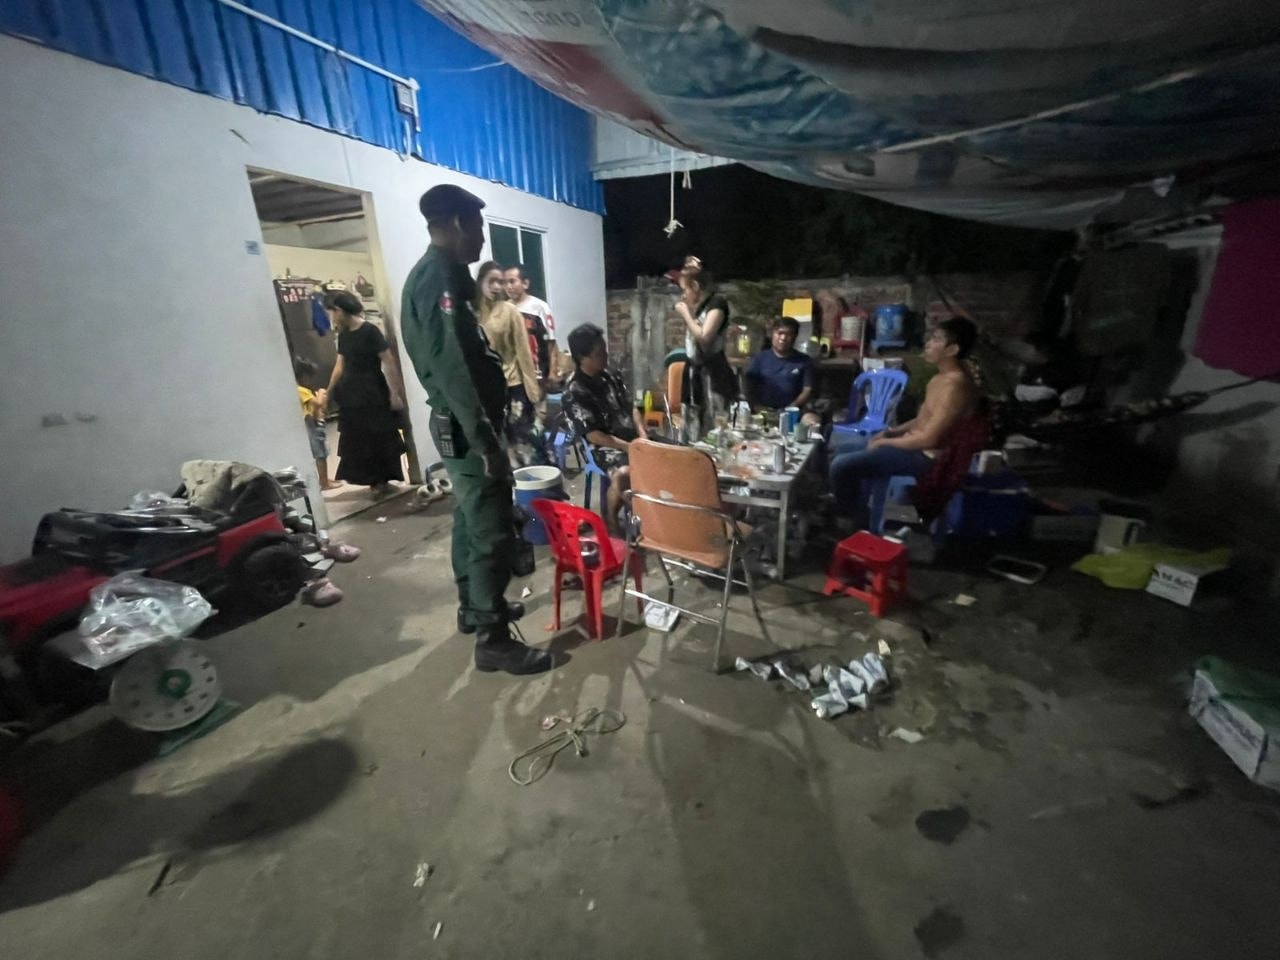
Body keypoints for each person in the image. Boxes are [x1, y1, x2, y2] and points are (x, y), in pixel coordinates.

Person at [400, 184, 556, 676]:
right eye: (480, 227)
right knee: (491, 529)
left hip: (460, 423)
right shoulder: (441, 279)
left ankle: (474, 608)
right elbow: (457, 370)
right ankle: (493, 640)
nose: (483, 239)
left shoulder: (434, 275)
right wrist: (486, 439)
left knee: (470, 520)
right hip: (468, 426)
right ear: (458, 224)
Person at [828, 316, 981, 519]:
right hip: (911, 445)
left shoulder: (955, 386)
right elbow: (922, 419)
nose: (928, 344)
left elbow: (930, 439)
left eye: (936, 339)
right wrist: (891, 432)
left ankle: (851, 519)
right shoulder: (940, 378)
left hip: (925, 457)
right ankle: (850, 505)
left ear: (952, 349)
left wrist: (885, 443)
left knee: (841, 465)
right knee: (837, 448)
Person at [562, 323, 646, 534]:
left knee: (675, 455)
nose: (606, 356)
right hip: (600, 446)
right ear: (582, 358)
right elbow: (594, 435)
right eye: (599, 353)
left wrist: (643, 436)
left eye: (605, 350)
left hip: (632, 438)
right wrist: (630, 447)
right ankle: (611, 520)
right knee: (624, 473)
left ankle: (659, 518)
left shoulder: (611, 376)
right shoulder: (574, 390)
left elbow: (632, 408)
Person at [324, 290, 407, 495]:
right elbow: (340, 364)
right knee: (358, 438)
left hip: (372, 391)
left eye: (332, 312)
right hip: (351, 394)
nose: (331, 317)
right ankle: (372, 481)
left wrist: (394, 393)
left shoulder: (370, 331)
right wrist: (329, 391)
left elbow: (388, 361)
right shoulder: (344, 335)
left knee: (378, 436)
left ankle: (382, 480)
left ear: (340, 310)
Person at [475, 260, 545, 467]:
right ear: (480, 281)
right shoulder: (472, 313)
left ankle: (533, 481)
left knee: (523, 441)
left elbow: (523, 351)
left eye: (502, 282)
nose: (497, 287)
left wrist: (533, 392)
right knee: (498, 444)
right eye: (492, 281)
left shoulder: (509, 311)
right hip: (486, 389)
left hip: (513, 385)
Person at [675, 256, 736, 431]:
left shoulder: (717, 304)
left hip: (713, 373)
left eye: (685, 289)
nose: (684, 295)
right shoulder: (702, 308)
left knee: (715, 424)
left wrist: (686, 314)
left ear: (695, 286)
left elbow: (705, 336)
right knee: (693, 423)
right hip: (695, 372)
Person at [504, 265, 562, 392]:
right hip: (514, 375)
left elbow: (551, 342)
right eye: (505, 283)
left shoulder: (540, 307)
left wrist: (552, 371)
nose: (508, 286)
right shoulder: (503, 310)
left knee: (538, 404)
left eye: (512, 281)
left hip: (538, 373)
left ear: (525, 283)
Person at [744, 316, 816, 415]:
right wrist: (756, 406)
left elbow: (807, 389)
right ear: (772, 334)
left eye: (788, 334)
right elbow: (748, 385)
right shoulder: (760, 358)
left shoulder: (804, 361)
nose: (783, 338)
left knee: (812, 420)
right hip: (763, 411)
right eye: (780, 333)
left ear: (795, 337)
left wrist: (792, 407)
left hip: (793, 411)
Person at [293, 356, 338, 491]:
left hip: (316, 423)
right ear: (303, 376)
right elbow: (317, 403)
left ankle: (324, 478)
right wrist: (322, 393)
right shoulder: (301, 390)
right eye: (309, 377)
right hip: (312, 425)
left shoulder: (304, 390)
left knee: (323, 452)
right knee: (320, 454)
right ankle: (324, 483)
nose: (311, 381)